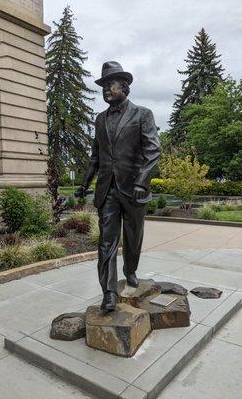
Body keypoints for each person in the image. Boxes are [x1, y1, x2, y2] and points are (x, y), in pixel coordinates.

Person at [76, 61, 160, 312]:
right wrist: (84, 183)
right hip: (107, 191)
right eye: (103, 86)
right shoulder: (100, 119)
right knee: (106, 243)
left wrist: (141, 182)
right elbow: (95, 156)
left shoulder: (142, 114)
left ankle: (130, 270)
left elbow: (153, 151)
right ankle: (109, 293)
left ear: (124, 87)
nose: (105, 90)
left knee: (133, 239)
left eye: (109, 85)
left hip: (134, 190)